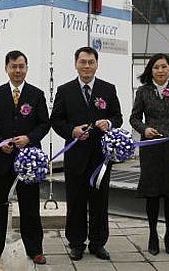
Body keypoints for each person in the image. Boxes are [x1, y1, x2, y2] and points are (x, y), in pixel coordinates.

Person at [50, 46, 122, 261]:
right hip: (76, 157)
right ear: (76, 64)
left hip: (101, 158)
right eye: (83, 62)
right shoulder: (65, 90)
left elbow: (117, 116)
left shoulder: (108, 89)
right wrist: (72, 131)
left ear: (96, 64)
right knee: (76, 202)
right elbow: (56, 120)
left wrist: (109, 123)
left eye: (91, 62)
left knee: (100, 202)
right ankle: (76, 243)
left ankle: (98, 243)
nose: (87, 66)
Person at [0, 50, 50, 265]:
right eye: (13, 66)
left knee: (30, 207)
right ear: (6, 68)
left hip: (28, 162)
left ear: (26, 68)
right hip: (2, 160)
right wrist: (1, 143)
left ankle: (35, 249)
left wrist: (29, 138)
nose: (17, 70)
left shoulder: (36, 95)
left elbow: (44, 124)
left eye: (21, 66)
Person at [129, 53, 169, 256]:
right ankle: (152, 233)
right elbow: (134, 118)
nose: (160, 70)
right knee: (153, 193)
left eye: (164, 67)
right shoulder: (143, 91)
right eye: (156, 67)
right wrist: (144, 129)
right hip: (151, 148)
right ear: (151, 70)